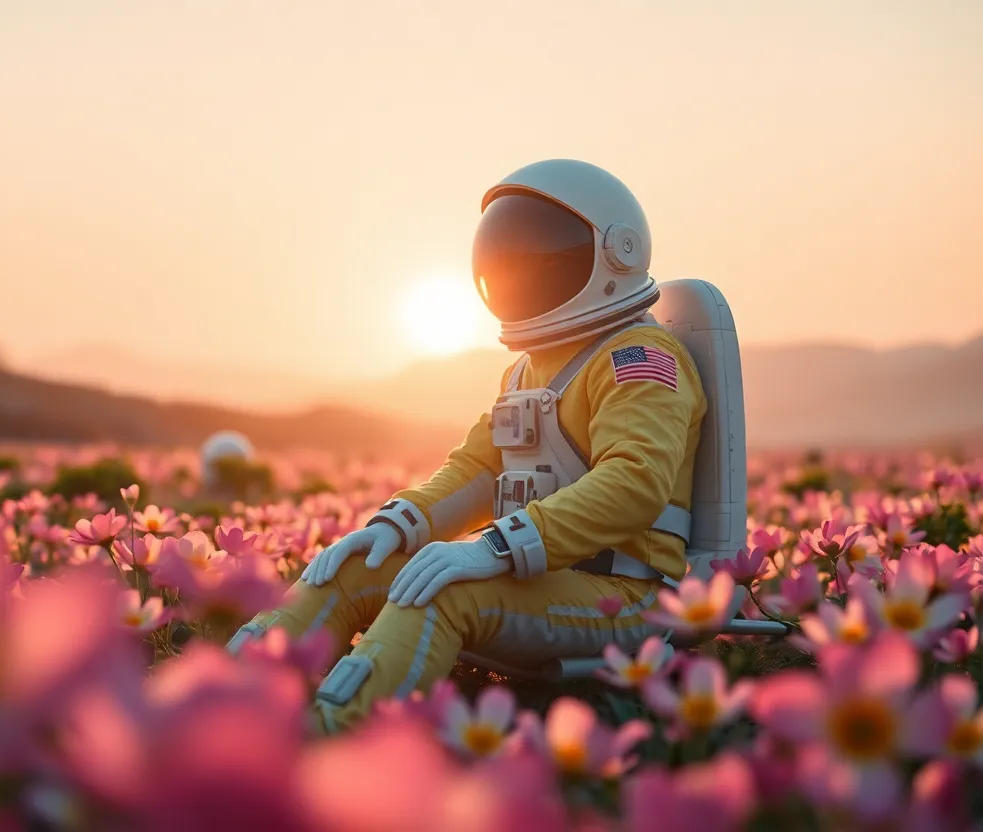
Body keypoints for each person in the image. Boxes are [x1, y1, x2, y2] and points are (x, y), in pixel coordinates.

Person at [227, 159, 708, 734]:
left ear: (616, 252)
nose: (519, 266)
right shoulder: (529, 370)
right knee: (357, 569)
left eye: (540, 251)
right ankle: (230, 707)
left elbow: (634, 483)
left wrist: (491, 550)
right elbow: (478, 469)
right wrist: (396, 526)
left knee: (446, 593)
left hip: (626, 594)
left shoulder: (639, 360)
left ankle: (330, 740)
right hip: (537, 575)